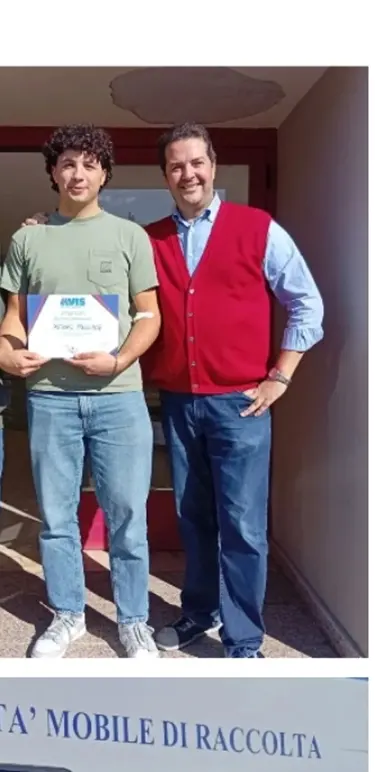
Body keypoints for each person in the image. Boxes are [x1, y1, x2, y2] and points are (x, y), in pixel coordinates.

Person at [22, 122, 324, 659]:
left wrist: (281, 375)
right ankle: (198, 612)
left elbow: (308, 304)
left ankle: (243, 639)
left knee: (243, 525)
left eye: (197, 163)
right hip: (179, 403)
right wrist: (46, 228)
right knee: (194, 518)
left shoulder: (258, 228)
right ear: (165, 176)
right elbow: (124, 298)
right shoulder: (149, 238)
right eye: (177, 166)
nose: (189, 173)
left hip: (242, 403)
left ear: (213, 167)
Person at [0, 124, 161, 658]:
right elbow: (14, 318)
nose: (78, 173)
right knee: (56, 516)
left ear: (104, 174)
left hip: (119, 397)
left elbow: (148, 315)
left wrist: (118, 358)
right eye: (68, 163)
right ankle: (67, 615)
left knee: (128, 517)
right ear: (52, 171)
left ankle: (134, 620)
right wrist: (5, 349)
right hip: (49, 397)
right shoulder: (29, 238)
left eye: (89, 164)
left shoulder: (129, 236)